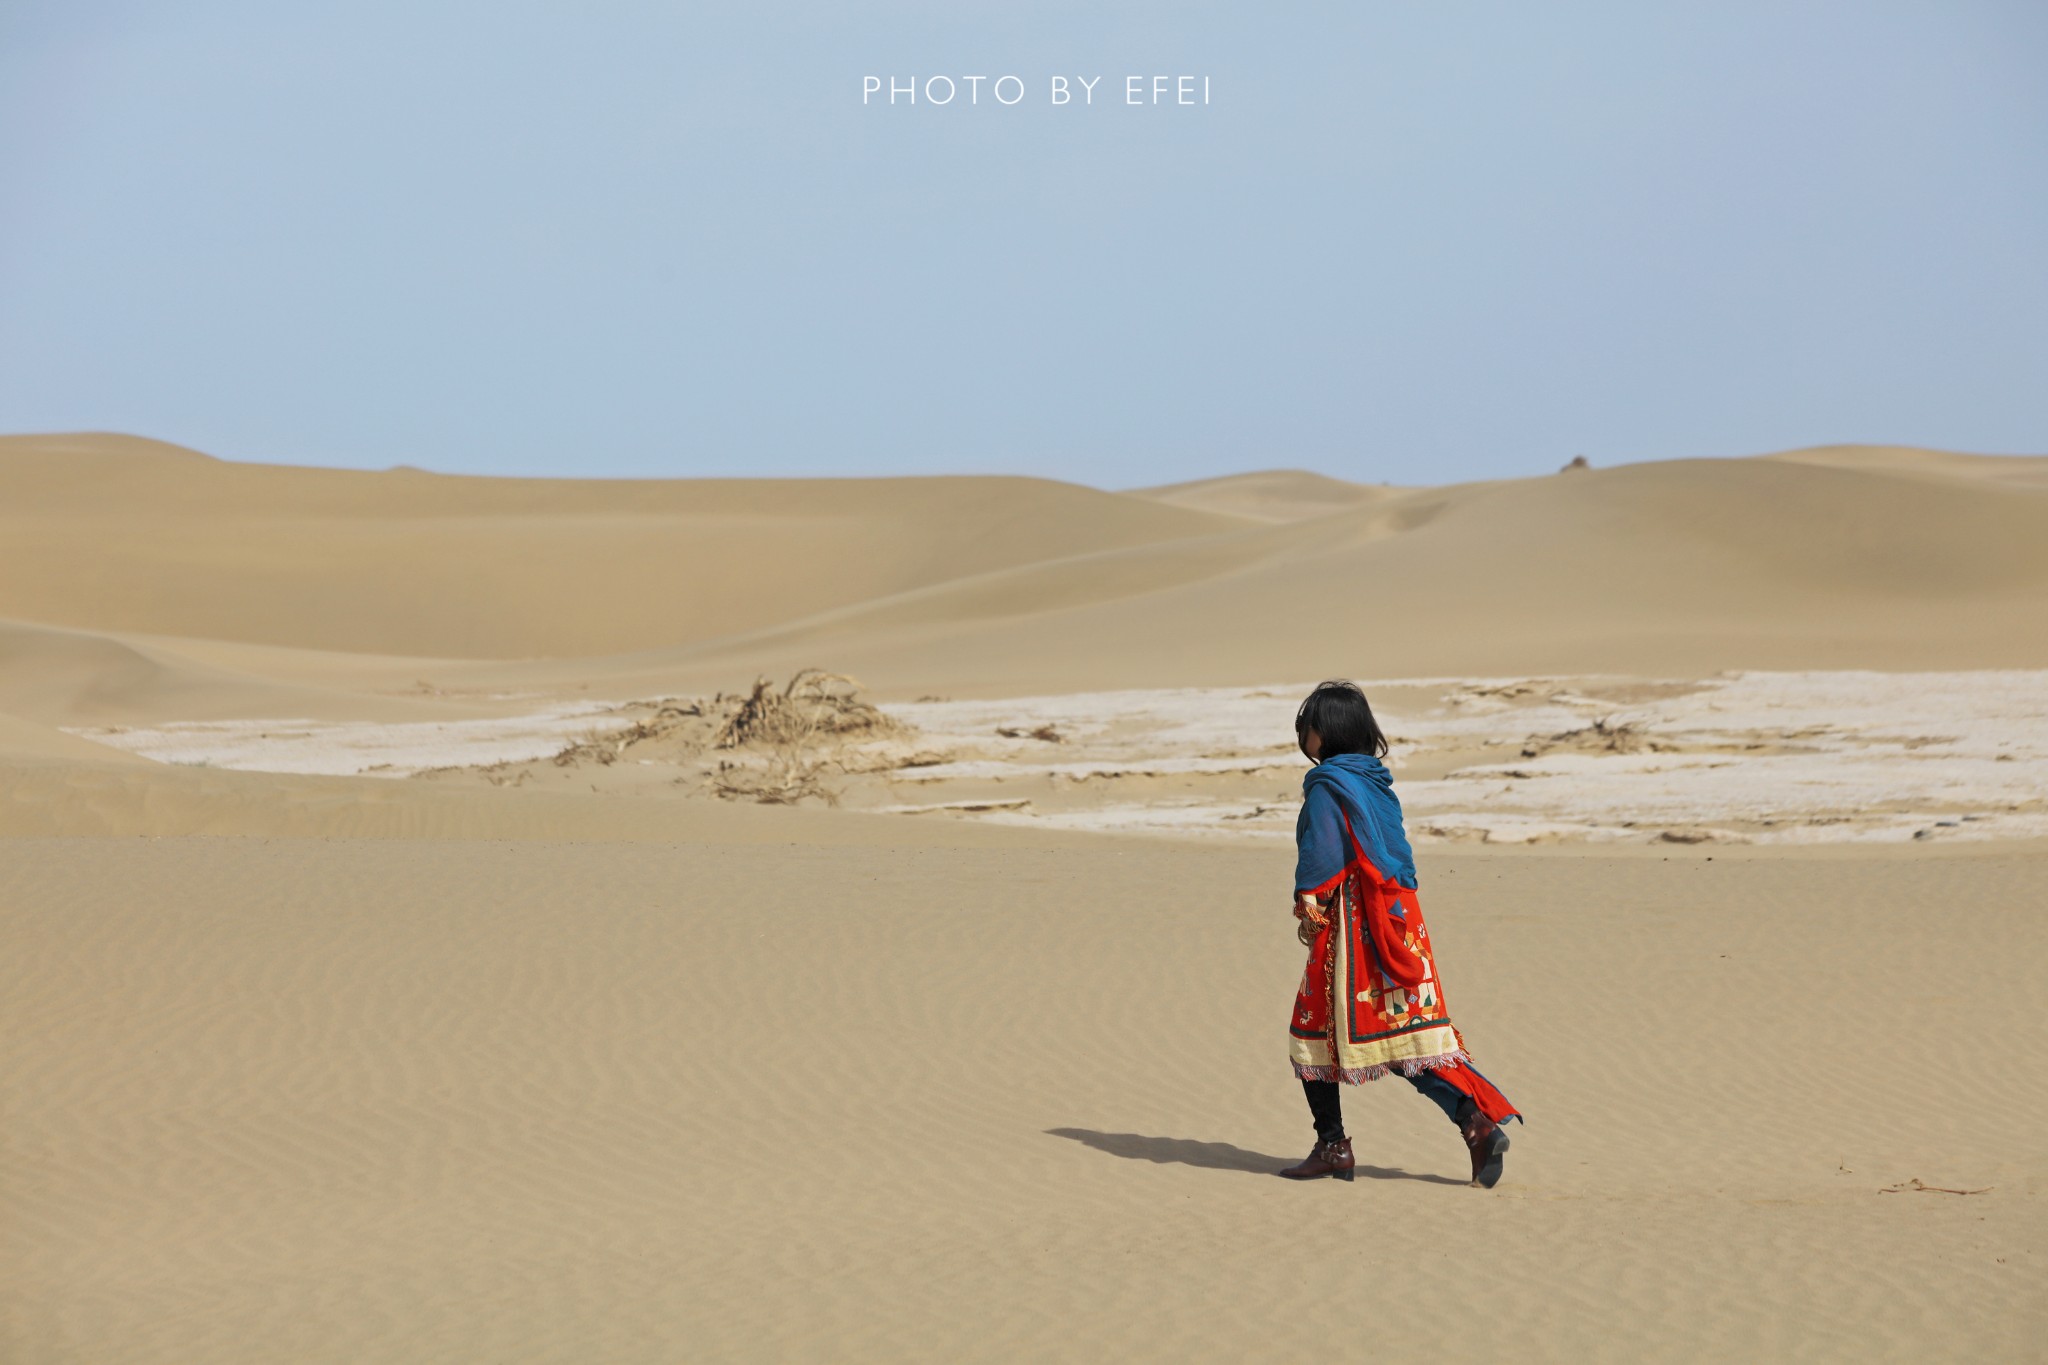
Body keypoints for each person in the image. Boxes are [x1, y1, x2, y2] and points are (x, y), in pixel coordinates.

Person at [1277, 680, 1523, 1187]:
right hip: (1401, 922)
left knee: (1312, 1030)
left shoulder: (1327, 783)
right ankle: (1475, 1125)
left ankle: (1333, 1146)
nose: (1304, 736)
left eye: (1309, 726)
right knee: (1397, 1036)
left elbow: (1323, 857)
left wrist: (1308, 903)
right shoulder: (1375, 780)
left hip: (1353, 928)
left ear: (1328, 731)